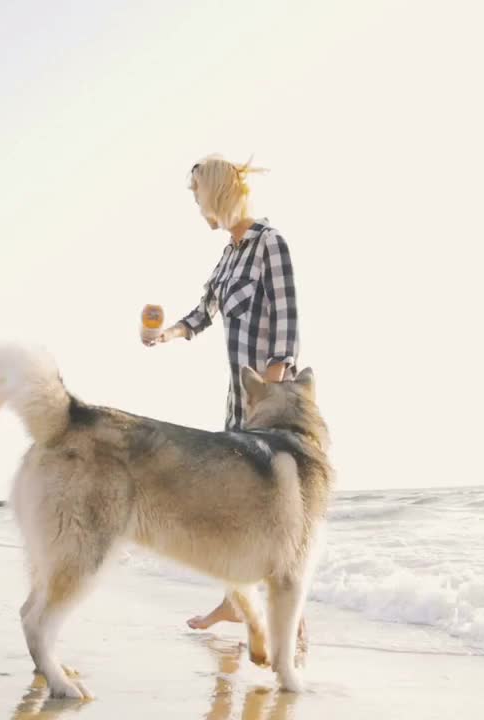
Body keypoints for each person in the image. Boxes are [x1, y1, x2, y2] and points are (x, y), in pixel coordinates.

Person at [143, 154, 305, 637]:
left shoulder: (269, 245)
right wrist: (166, 334)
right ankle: (236, 603)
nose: (197, 206)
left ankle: (294, 623)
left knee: (278, 515)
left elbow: (288, 323)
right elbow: (203, 311)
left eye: (197, 195)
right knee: (239, 512)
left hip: (269, 406)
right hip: (238, 406)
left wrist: (269, 400)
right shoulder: (230, 254)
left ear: (215, 193)